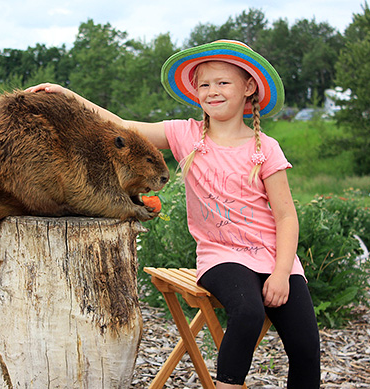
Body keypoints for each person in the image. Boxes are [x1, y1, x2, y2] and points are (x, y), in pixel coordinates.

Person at [26, 39, 320, 388]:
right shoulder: (186, 135)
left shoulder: (265, 148)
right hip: (222, 256)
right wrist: (68, 96)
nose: (212, 91)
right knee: (248, 312)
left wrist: (283, 272)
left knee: (306, 343)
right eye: (205, 84)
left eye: (223, 82)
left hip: (274, 257)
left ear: (249, 87)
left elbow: (286, 216)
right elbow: (121, 124)